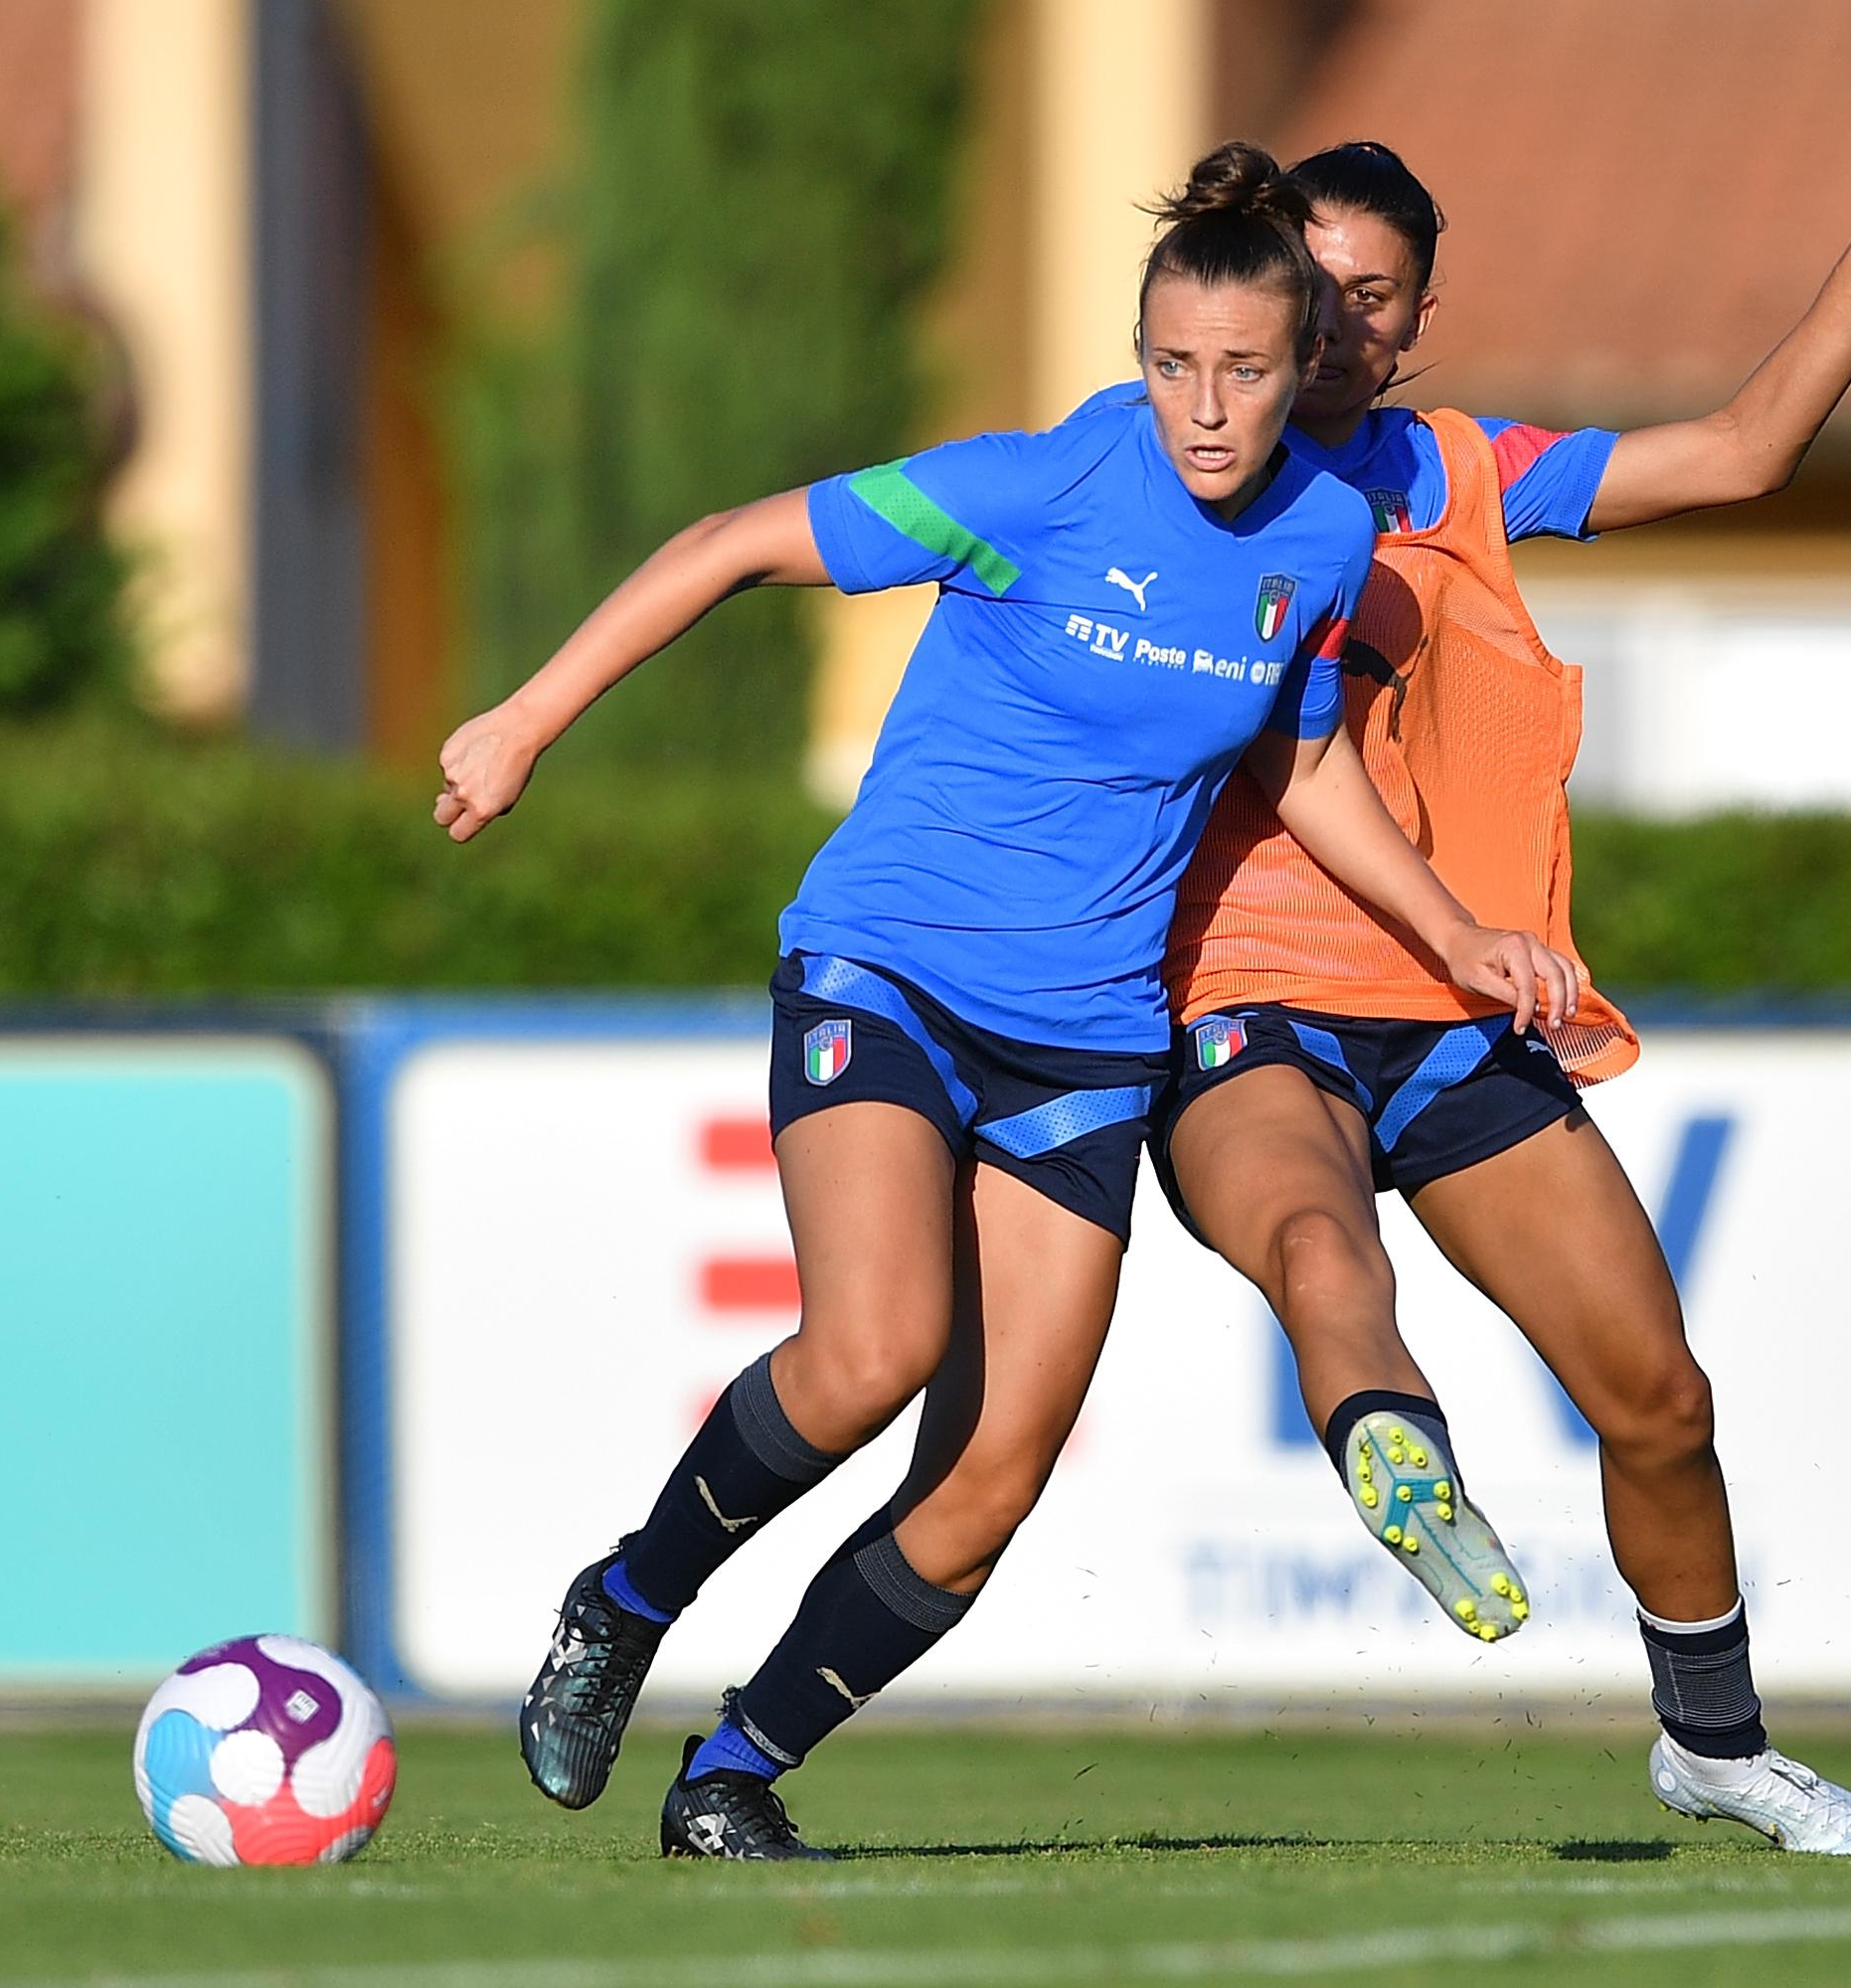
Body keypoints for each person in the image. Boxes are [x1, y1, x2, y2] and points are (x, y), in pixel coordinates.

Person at [434, 143, 1581, 1861]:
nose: (1206, 409)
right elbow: (732, 542)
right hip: (889, 965)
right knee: (876, 1344)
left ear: (1304, 374)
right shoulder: (1035, 489)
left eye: (1246, 374)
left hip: (1088, 1036)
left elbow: (1309, 756)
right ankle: (624, 1605)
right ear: (1139, 356)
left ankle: (733, 1775)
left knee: (986, 1491)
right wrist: (526, 719)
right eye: (1174, 367)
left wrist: (1456, 933)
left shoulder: (1330, 536)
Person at [1154, 85, 1851, 1858]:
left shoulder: (1462, 470)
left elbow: (1745, 453)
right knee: (1320, 1242)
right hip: (1247, 999)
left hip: (1456, 1011)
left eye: (1374, 295)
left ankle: (1717, 1745)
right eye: (1312, 283)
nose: (1337, 323)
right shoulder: (1175, 464)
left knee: (1658, 1397)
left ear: (1417, 320)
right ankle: (1404, 1456)